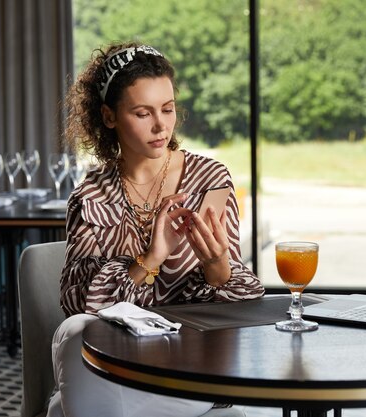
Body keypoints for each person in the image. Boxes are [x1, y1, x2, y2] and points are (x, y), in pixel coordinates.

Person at [47, 41, 264, 417]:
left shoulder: (209, 180)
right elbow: (76, 304)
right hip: (118, 361)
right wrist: (152, 257)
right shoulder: (91, 193)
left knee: (63, 409)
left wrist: (217, 262)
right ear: (110, 117)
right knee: (76, 331)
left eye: (168, 109)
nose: (161, 125)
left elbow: (241, 309)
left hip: (193, 362)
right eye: (143, 113)